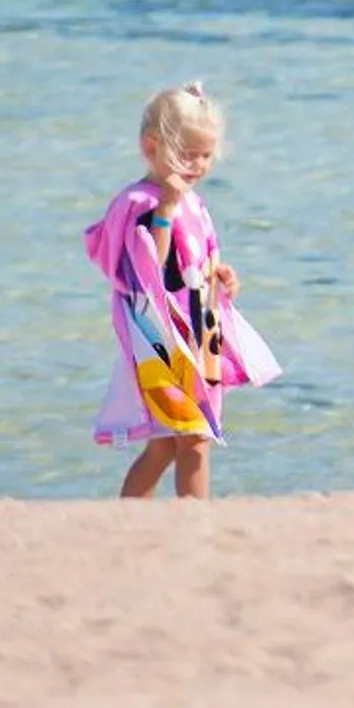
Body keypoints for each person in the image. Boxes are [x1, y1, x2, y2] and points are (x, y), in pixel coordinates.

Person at [82, 83, 281, 500]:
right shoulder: (138, 201)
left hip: (201, 328)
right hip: (161, 337)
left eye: (205, 155)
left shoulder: (194, 202)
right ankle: (188, 519)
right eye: (186, 154)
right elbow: (146, 266)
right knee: (189, 438)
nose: (196, 165)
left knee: (174, 442)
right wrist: (166, 210)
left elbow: (200, 256)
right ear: (151, 147)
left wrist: (222, 276)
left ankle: (136, 514)